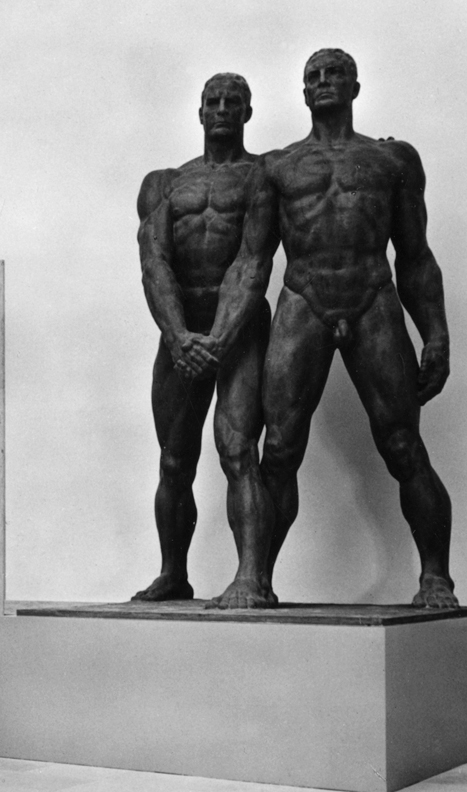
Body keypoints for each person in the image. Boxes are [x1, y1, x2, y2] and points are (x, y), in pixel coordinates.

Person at [187, 48, 458, 610]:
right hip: (303, 299)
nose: (324, 81)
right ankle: (252, 578)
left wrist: (435, 332)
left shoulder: (392, 160)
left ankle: (436, 579)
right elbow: (252, 262)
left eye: (336, 74)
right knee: (279, 449)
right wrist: (221, 334)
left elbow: (415, 256)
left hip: (371, 295)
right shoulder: (278, 167)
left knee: (403, 444)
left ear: (355, 87)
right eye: (314, 76)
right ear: (304, 92)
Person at [132, 73, 272, 602]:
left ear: (247, 112)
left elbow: (253, 261)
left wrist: (220, 336)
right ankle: (173, 573)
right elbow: (154, 263)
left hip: (239, 328)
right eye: (212, 102)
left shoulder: (263, 175)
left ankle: (250, 577)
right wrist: (178, 336)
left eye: (232, 102)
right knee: (173, 460)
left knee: (238, 451)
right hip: (181, 329)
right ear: (199, 112)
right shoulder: (164, 183)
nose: (221, 109)